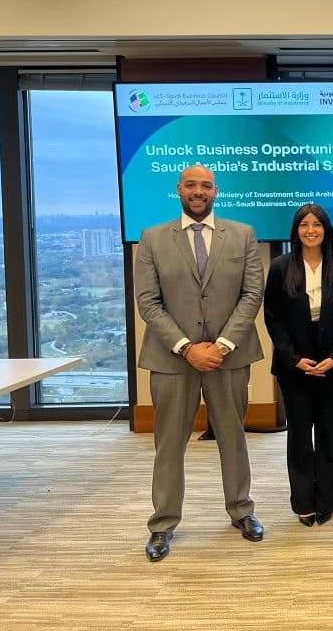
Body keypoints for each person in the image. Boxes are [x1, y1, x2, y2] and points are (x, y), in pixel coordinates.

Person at [135, 164, 265, 562]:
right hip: (172, 359)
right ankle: (162, 524)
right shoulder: (152, 238)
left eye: (205, 185)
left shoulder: (242, 235)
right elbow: (148, 302)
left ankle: (241, 511)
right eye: (191, 185)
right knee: (169, 444)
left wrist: (221, 345)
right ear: (178, 190)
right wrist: (187, 347)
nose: (198, 191)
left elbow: (252, 294)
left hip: (230, 356)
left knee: (233, 437)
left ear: (216, 191)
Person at [263, 204, 333, 527]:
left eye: (317, 224)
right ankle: (304, 502)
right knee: (300, 436)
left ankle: (327, 501)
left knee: (329, 433)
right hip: (294, 364)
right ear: (296, 230)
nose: (311, 230)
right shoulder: (281, 266)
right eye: (305, 225)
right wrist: (293, 359)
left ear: (326, 229)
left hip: (332, 361)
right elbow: (273, 318)